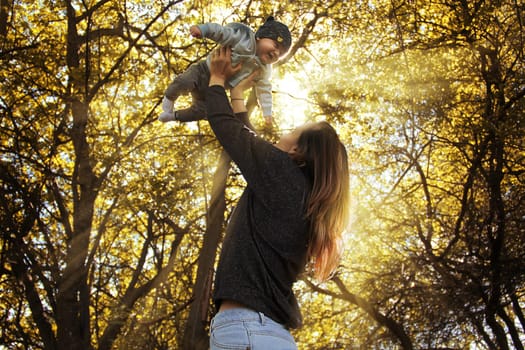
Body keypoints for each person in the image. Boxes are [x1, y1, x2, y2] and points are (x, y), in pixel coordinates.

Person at [204, 46, 350, 349]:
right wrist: (238, 93)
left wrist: (217, 78)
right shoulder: (305, 198)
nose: (286, 131)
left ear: (297, 150)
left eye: (294, 129)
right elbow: (251, 143)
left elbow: (230, 131)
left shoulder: (281, 175)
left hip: (243, 331)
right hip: (274, 336)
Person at [159, 16, 291, 126]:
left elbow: (264, 90)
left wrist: (267, 111)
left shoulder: (263, 70)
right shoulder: (243, 38)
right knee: (184, 81)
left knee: (204, 112)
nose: (276, 53)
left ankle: (174, 116)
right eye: (275, 45)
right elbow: (221, 32)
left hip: (216, 88)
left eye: (280, 54)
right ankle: (169, 98)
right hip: (203, 71)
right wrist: (203, 30)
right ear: (260, 37)